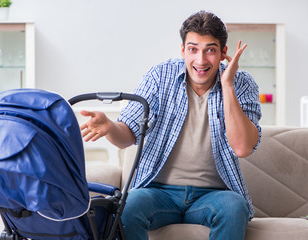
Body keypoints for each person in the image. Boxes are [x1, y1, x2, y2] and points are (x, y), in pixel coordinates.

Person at [80, 10, 261, 240]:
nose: (201, 60)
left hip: (214, 195)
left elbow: (242, 147)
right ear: (183, 50)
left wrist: (228, 86)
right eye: (193, 49)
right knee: (128, 206)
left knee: (235, 208)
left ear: (223, 52)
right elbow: (127, 135)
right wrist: (109, 127)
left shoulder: (241, 83)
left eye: (210, 50)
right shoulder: (160, 76)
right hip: (158, 191)